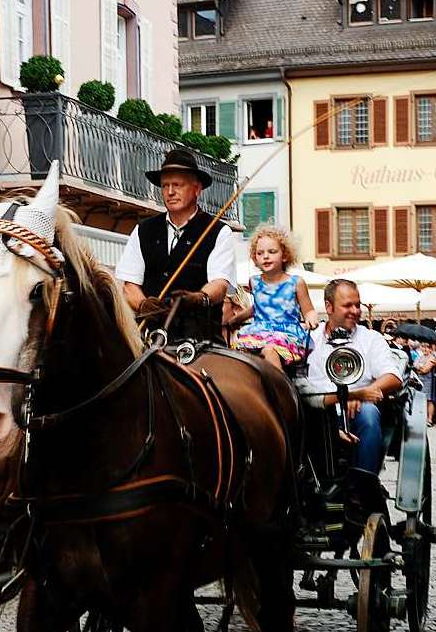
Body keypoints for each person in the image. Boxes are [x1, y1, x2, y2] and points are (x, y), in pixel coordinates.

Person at [297, 279, 403, 516]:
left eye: (358, 305)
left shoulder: (370, 339)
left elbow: (392, 377)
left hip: (358, 412)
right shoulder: (308, 338)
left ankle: (362, 490)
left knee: (367, 414)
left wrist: (362, 394)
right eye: (348, 305)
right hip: (316, 412)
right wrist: (342, 397)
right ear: (329, 306)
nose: (355, 311)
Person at [116, 148, 236, 343]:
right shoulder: (143, 230)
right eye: (165, 186)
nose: (170, 192)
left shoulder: (218, 232)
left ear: (197, 189)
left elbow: (220, 285)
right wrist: (143, 304)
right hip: (150, 339)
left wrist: (199, 297)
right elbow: (129, 285)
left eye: (177, 185)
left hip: (201, 341)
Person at [230, 225, 317, 370]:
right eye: (260, 253)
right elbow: (259, 307)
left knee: (269, 350)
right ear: (255, 258)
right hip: (259, 331)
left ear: (285, 255)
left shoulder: (295, 283)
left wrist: (311, 318)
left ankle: (280, 388)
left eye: (272, 252)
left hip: (286, 333)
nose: (265, 256)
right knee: (237, 354)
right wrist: (236, 319)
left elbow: (308, 310)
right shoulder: (254, 282)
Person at [413, 342, 436, 425]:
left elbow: (425, 370)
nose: (425, 349)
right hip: (420, 380)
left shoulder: (432, 357)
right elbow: (415, 366)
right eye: (423, 347)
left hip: (429, 380)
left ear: (431, 349)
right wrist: (421, 367)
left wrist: (420, 367)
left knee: (429, 400)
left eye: (427, 347)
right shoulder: (419, 357)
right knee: (420, 399)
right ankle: (421, 418)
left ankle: (430, 419)